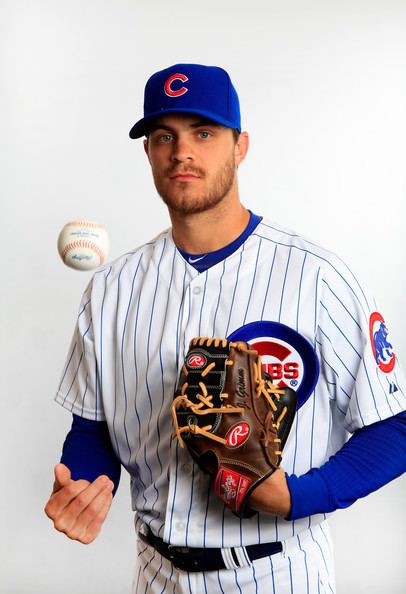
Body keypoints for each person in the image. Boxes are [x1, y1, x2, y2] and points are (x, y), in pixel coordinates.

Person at [45, 63, 406, 594]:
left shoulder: (317, 276)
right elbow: (93, 426)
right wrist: (84, 483)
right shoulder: (111, 288)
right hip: (155, 573)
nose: (181, 152)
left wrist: (299, 496)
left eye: (204, 132)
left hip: (279, 571)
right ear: (147, 152)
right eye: (163, 135)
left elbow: (394, 426)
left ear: (241, 147)